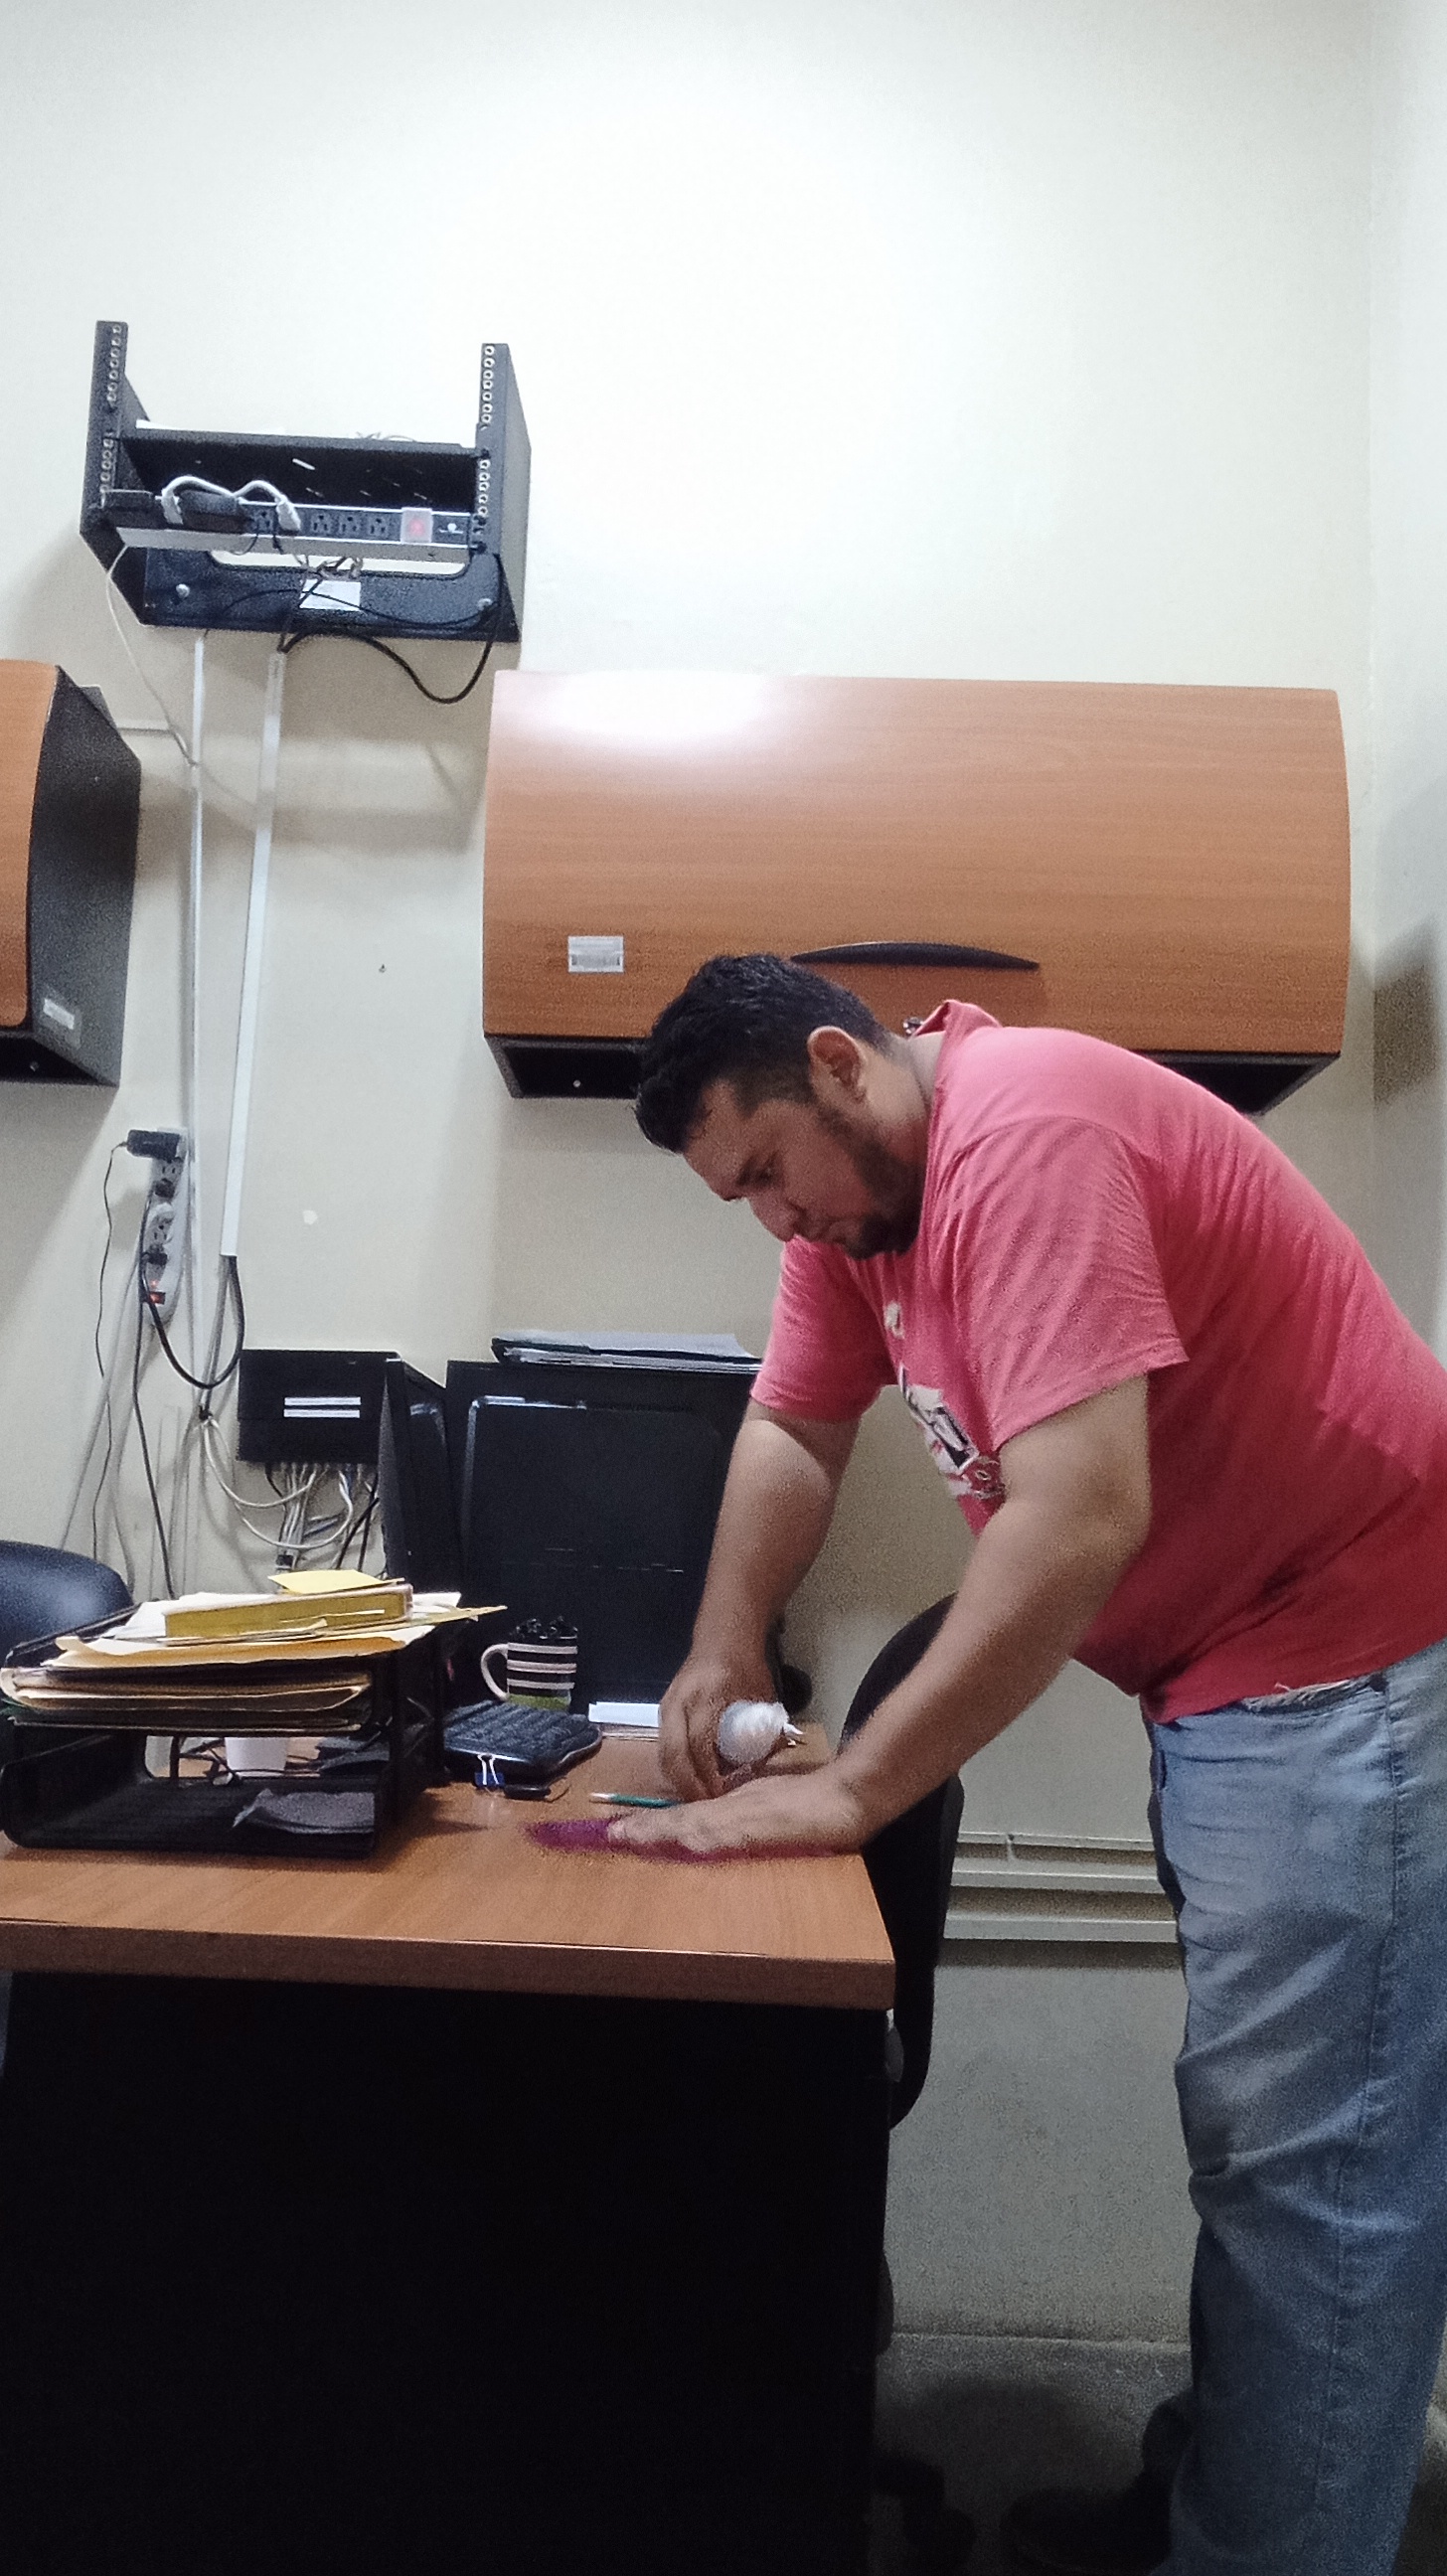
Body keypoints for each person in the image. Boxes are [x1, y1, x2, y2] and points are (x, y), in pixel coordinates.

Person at [609, 951, 1447, 2576]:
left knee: (1319, 2179)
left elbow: (1081, 1515)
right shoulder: (864, 1214)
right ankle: (1217, 2505)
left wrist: (854, 1789)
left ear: (840, 1066)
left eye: (770, 1171)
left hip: (1347, 1655)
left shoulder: (1027, 1135)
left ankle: (1259, 2547)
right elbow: (795, 1425)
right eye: (741, 1200)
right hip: (1237, 1674)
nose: (776, 1221)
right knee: (1270, 2146)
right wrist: (723, 1641)